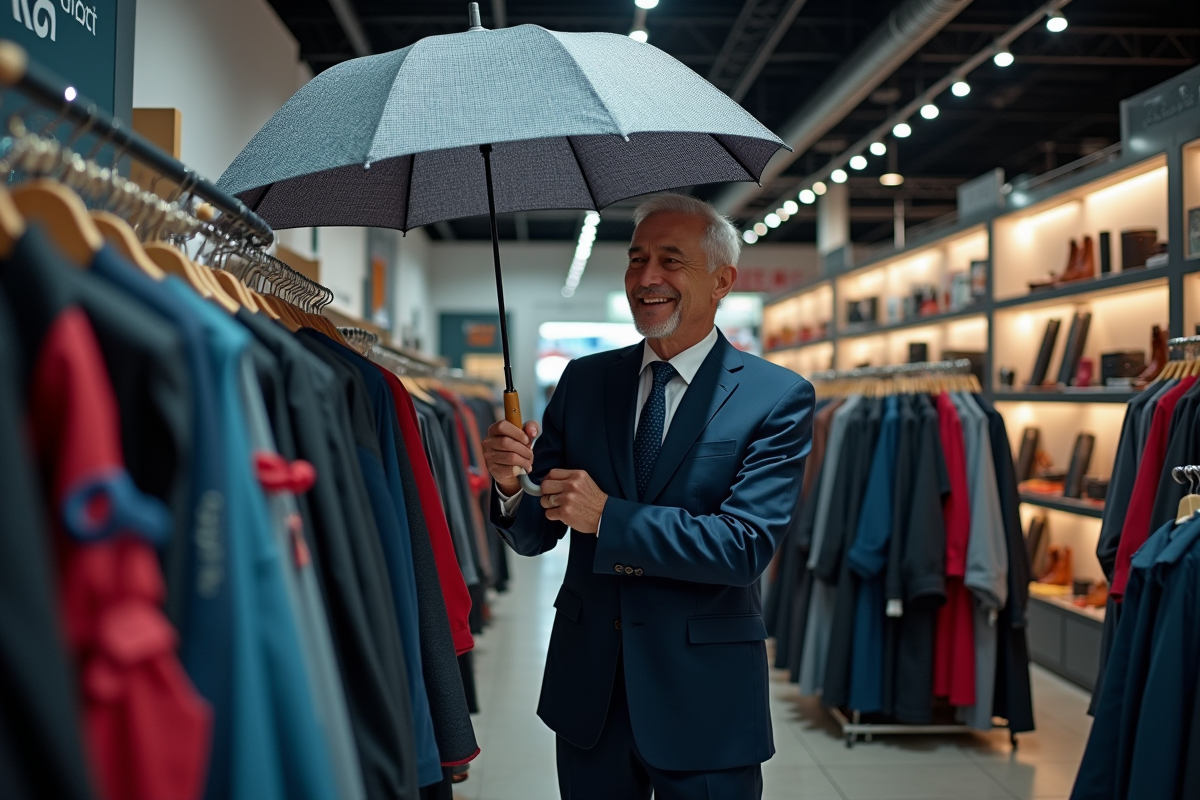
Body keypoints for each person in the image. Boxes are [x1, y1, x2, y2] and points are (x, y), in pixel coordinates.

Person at [482, 193, 815, 799]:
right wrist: (510, 484)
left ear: (722, 282)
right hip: (590, 693)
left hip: (705, 698)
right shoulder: (584, 381)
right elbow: (536, 532)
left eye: (670, 260)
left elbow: (743, 547)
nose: (646, 277)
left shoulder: (775, 397)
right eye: (636, 260)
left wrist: (608, 517)